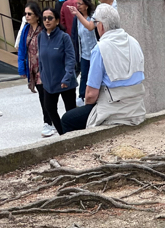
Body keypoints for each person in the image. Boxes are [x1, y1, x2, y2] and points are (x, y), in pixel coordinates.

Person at [59, 3, 145, 133]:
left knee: (67, 119)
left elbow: (90, 95)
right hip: (137, 106)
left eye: (95, 23)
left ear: (101, 26)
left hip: (113, 109)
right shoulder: (134, 41)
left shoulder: (100, 48)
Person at [38, 5, 77, 135]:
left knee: (71, 112)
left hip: (66, 82)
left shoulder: (64, 37)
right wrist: (42, 75)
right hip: (49, 83)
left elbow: (71, 59)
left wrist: (67, 77)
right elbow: (41, 59)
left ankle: (75, 135)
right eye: (44, 18)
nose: (47, 21)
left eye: (50, 18)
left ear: (57, 20)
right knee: (49, 108)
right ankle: (63, 134)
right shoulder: (41, 37)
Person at [18, 2, 54, 136]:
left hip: (45, 67)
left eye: (29, 14)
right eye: (25, 14)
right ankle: (49, 121)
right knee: (42, 95)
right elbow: (22, 49)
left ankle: (49, 122)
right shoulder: (26, 29)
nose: (26, 16)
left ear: (36, 15)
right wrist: (22, 68)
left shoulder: (44, 29)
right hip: (33, 68)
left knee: (48, 96)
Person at [72, 0, 99, 105]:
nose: (78, 6)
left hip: (95, 52)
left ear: (86, 6)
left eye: (80, 4)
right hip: (84, 53)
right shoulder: (76, 19)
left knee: (95, 74)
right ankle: (82, 96)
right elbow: (74, 36)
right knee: (84, 75)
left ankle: (96, 95)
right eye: (77, 4)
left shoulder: (93, 17)